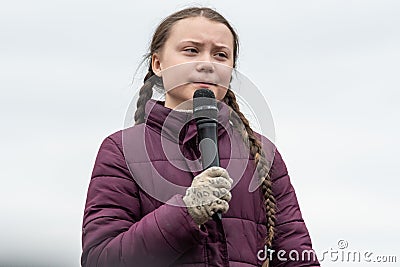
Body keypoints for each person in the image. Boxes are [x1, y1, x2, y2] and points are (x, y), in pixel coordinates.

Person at [81, 7, 320, 267]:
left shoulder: (260, 153)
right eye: (191, 50)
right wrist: (186, 211)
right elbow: (100, 259)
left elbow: (298, 259)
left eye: (220, 55)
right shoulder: (122, 150)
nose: (207, 64)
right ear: (158, 64)